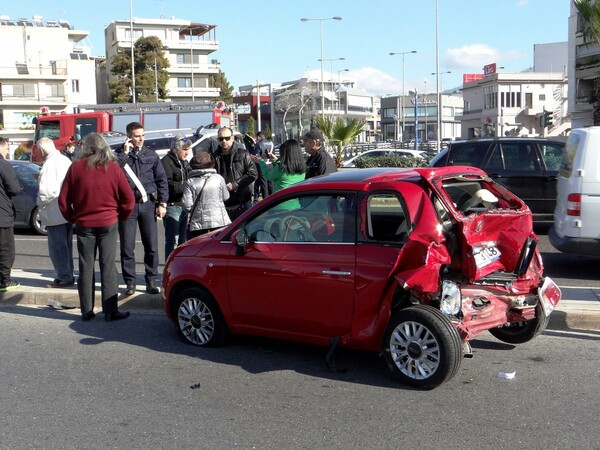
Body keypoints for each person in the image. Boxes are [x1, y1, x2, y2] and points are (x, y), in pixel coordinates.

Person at [58, 133, 135, 322]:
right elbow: (129, 199)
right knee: (108, 266)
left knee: (85, 266)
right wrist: (121, 216)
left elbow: (63, 200)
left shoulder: (75, 168)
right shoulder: (113, 168)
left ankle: (86, 310)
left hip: (84, 223)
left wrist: (73, 217)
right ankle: (110, 311)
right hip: (108, 222)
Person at [114, 122, 168, 296]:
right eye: (137, 136)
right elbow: (114, 172)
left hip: (147, 204)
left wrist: (162, 203)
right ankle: (130, 282)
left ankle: (151, 280)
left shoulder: (150, 155)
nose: (141, 139)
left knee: (151, 245)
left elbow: (161, 180)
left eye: (142, 135)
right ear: (129, 136)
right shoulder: (119, 155)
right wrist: (124, 154)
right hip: (127, 207)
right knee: (127, 247)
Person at [36, 137, 75, 288]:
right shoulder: (65, 160)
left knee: (57, 248)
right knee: (66, 246)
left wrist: (39, 201)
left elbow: (47, 191)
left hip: (54, 212)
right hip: (66, 210)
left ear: (41, 150)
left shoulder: (49, 164)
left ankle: (64, 277)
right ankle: (68, 274)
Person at [212, 126, 257, 221]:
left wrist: (235, 184)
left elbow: (253, 174)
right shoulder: (214, 157)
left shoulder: (243, 154)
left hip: (242, 202)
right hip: (222, 204)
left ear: (232, 138)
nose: (224, 141)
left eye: (227, 138)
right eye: (221, 139)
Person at [183, 152, 231, 238]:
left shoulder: (190, 182)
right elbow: (226, 197)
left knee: (199, 248)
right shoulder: (218, 178)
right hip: (219, 220)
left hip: (198, 223)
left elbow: (187, 206)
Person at [161, 135, 191, 259]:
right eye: (184, 149)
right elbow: (168, 185)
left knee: (182, 240)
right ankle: (170, 266)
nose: (187, 152)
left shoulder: (184, 162)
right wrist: (187, 185)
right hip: (172, 205)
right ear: (175, 149)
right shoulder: (166, 162)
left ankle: (180, 265)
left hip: (183, 205)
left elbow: (191, 174)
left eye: (188, 149)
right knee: (173, 239)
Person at [0, 137, 22, 292]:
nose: (7, 151)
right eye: (7, 148)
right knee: (6, 250)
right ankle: (4, 281)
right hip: (2, 215)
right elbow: (13, 188)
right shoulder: (3, 165)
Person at [251, 131, 273, 203]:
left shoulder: (259, 144)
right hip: (270, 164)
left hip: (262, 165)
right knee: (270, 182)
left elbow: (255, 155)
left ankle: (266, 200)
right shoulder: (270, 143)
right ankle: (273, 197)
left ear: (258, 137)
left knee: (264, 183)